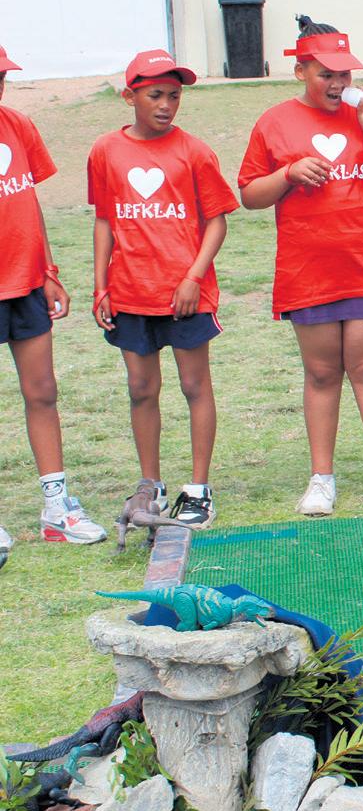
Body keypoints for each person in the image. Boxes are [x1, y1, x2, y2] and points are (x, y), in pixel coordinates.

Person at [239, 16, 363, 519]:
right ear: (300, 71)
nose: (337, 85)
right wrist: (288, 174)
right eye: (325, 75)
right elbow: (249, 195)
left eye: (344, 76)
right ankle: (322, 480)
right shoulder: (275, 122)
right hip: (307, 269)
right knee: (320, 373)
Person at [88, 50, 237, 528]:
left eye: (174, 96)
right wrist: (100, 285)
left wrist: (193, 276)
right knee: (140, 388)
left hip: (184, 294)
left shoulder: (194, 151)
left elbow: (216, 222)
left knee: (194, 385)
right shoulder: (105, 151)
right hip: (131, 292)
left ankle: (198, 489)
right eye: (155, 95)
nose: (166, 105)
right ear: (129, 95)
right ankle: (149, 485)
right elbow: (106, 220)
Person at [0, 44, 106, 550]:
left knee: (42, 392)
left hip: (24, 284)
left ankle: (56, 508)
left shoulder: (17, 126)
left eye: (1, 77)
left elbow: (27, 201)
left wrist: (47, 270)